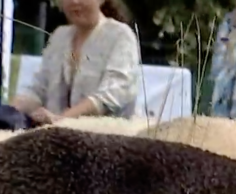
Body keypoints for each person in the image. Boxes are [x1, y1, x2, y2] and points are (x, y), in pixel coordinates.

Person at [11, 0, 140, 125]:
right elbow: (39, 89)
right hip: (54, 137)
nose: (75, 1)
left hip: (109, 138)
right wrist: (11, 110)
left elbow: (112, 95)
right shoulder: (58, 36)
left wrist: (61, 119)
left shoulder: (121, 36)